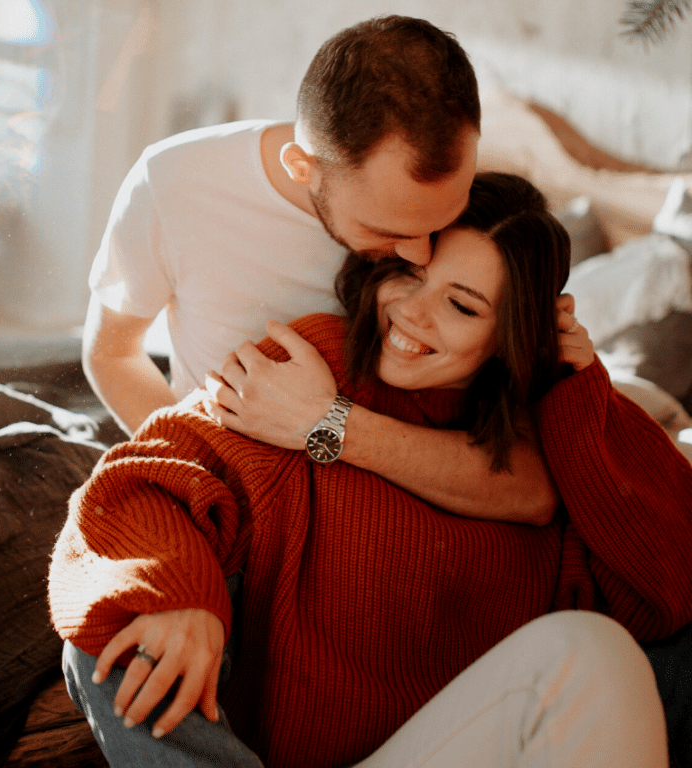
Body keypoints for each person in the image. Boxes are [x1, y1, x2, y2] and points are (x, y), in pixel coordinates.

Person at [49, 172, 692, 768]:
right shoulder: (315, 360)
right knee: (113, 630)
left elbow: (666, 591)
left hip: (466, 742)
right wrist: (181, 595)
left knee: (595, 652)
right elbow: (139, 480)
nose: (412, 313)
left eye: (462, 306)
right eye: (409, 275)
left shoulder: (540, 436)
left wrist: (580, 391)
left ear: (512, 337)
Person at [81, 15, 561, 522]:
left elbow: (530, 478)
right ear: (302, 167)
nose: (422, 253)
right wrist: (193, 474)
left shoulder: (465, 199)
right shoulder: (173, 182)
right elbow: (112, 352)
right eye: (388, 230)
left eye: (444, 216)